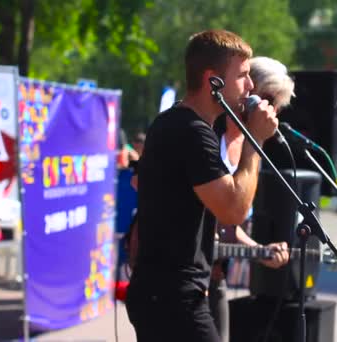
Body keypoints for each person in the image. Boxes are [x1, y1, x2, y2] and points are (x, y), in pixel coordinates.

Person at [124, 30, 286, 341]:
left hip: (166, 295)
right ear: (213, 80)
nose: (251, 86)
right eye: (242, 75)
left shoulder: (177, 123)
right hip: (172, 298)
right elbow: (234, 210)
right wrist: (256, 142)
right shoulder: (192, 132)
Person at [209, 56, 294, 342]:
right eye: (268, 100)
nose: (272, 112)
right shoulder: (211, 132)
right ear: (247, 89)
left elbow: (227, 228)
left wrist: (260, 250)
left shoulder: (247, 146)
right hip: (180, 281)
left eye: (277, 106)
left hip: (214, 277)